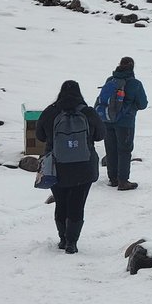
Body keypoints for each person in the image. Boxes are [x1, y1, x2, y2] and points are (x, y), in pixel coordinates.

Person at [35, 80, 105, 254]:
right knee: (77, 204)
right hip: (84, 167)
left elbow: (40, 136)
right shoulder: (88, 112)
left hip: (56, 167)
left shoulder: (50, 112)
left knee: (61, 203)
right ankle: (72, 243)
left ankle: (63, 238)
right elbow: (100, 135)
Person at [99, 56, 148, 190]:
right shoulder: (135, 83)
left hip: (107, 120)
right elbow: (143, 104)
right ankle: (123, 181)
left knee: (111, 149)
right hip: (125, 123)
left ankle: (112, 178)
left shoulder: (110, 80)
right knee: (124, 150)